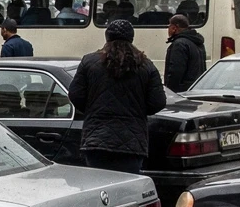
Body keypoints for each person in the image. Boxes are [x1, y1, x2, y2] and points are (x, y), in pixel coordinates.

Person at [68, 19, 167, 175]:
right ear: (131, 38)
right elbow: (158, 102)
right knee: (126, 192)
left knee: (99, 187)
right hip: (132, 141)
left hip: (96, 139)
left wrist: (92, 109)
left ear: (107, 37)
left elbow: (75, 94)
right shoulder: (146, 65)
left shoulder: (90, 62)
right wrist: (137, 110)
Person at [163, 14, 207, 92]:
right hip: (196, 88)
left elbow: (175, 72)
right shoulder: (197, 42)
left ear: (174, 28)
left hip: (182, 91)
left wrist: (169, 91)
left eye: (169, 26)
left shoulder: (179, 44)